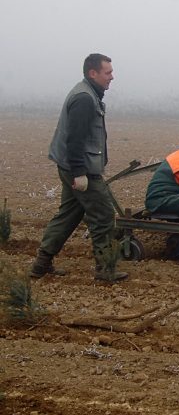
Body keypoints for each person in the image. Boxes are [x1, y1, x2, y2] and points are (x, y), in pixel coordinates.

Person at [30, 53, 128, 282]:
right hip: (80, 168)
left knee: (68, 215)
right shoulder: (84, 98)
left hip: (73, 166)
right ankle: (105, 269)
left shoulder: (88, 93)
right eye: (108, 72)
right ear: (93, 73)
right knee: (103, 215)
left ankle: (41, 264)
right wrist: (79, 173)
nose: (112, 77)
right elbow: (75, 139)